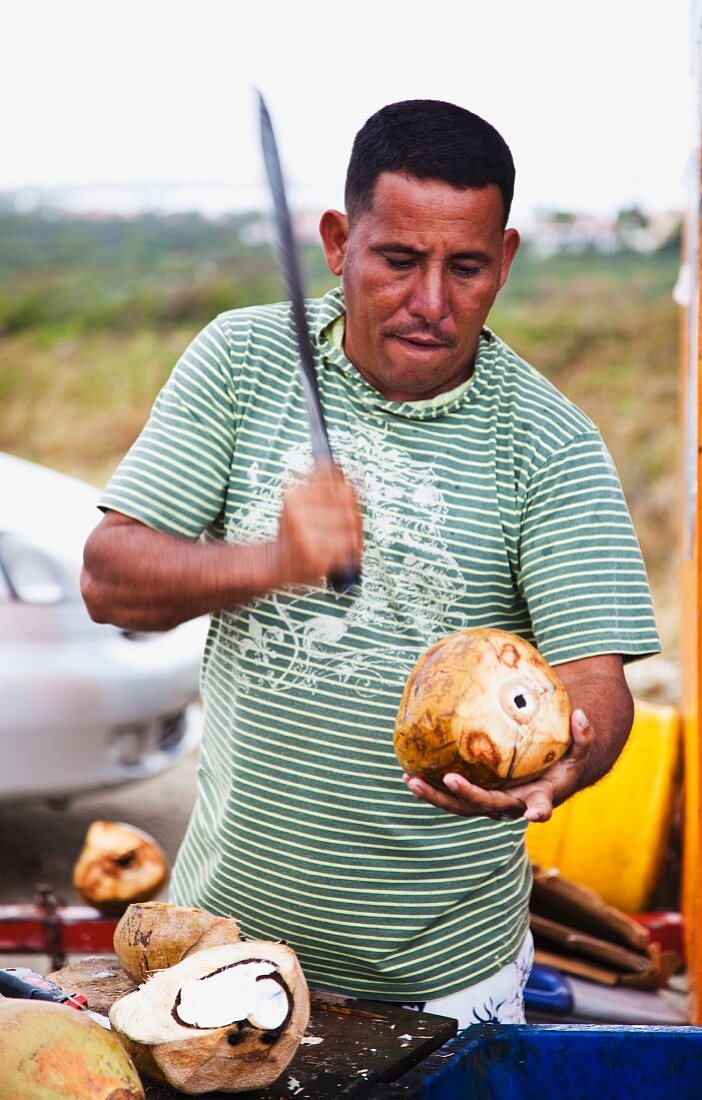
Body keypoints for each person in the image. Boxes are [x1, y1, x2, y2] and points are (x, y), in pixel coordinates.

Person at [81, 99, 660, 1027]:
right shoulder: (241, 362)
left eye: (466, 268)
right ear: (339, 241)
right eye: (399, 260)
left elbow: (599, 685)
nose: (432, 302)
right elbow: (111, 582)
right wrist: (274, 560)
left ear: (504, 261)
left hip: (444, 978)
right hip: (220, 946)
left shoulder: (550, 443)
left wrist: (563, 767)